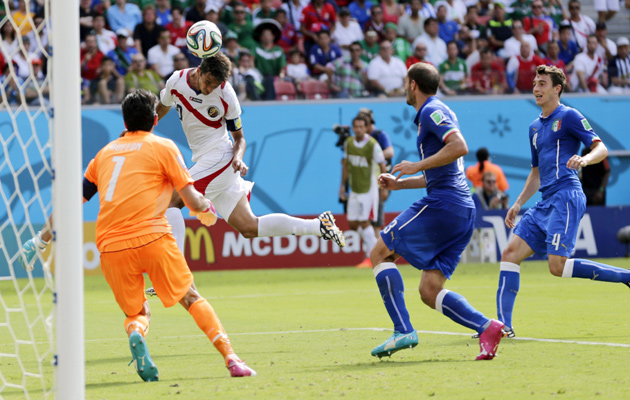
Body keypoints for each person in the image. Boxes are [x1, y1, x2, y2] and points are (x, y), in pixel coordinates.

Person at [19, 89, 256, 380]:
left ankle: (136, 333)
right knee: (191, 298)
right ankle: (231, 358)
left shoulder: (104, 154)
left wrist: (41, 238)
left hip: (110, 246)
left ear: (125, 120)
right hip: (152, 237)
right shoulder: (164, 146)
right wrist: (206, 208)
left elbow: (72, 201)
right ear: (155, 119)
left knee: (137, 314)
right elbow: (192, 200)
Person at [369, 62, 504, 361]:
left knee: (379, 253)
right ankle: (488, 327)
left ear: (413, 85)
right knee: (430, 290)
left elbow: (460, 147)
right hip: (461, 209)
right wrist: (400, 185)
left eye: (406, 82)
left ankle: (402, 329)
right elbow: (445, 167)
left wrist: (415, 165)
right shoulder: (436, 114)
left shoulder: (431, 111)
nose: (404, 88)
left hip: (445, 204)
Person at [155, 52, 346, 259]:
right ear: (199, 72)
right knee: (249, 227)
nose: (209, 89)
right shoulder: (176, 81)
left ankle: (175, 275)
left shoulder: (226, 94)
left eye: (215, 85)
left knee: (172, 200)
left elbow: (239, 138)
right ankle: (319, 226)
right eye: (208, 82)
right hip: (207, 161)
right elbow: (162, 107)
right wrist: (142, 130)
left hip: (221, 159)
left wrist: (237, 158)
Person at [494, 65, 630, 339]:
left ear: (557, 88)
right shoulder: (534, 127)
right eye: (535, 83)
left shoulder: (569, 116)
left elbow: (600, 147)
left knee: (557, 266)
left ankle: (626, 276)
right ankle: (503, 328)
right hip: (545, 200)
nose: (536, 88)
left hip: (567, 196)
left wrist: (585, 159)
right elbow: (536, 172)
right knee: (509, 255)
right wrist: (518, 203)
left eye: (543, 83)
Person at [339, 114, 387, 268]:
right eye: (356, 127)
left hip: (369, 188)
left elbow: (382, 165)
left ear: (366, 128)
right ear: (353, 128)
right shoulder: (349, 143)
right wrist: (342, 186)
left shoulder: (372, 144)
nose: (358, 130)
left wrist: (384, 187)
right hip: (355, 189)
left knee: (365, 221)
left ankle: (373, 255)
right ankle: (377, 250)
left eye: (361, 127)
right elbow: (346, 165)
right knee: (352, 224)